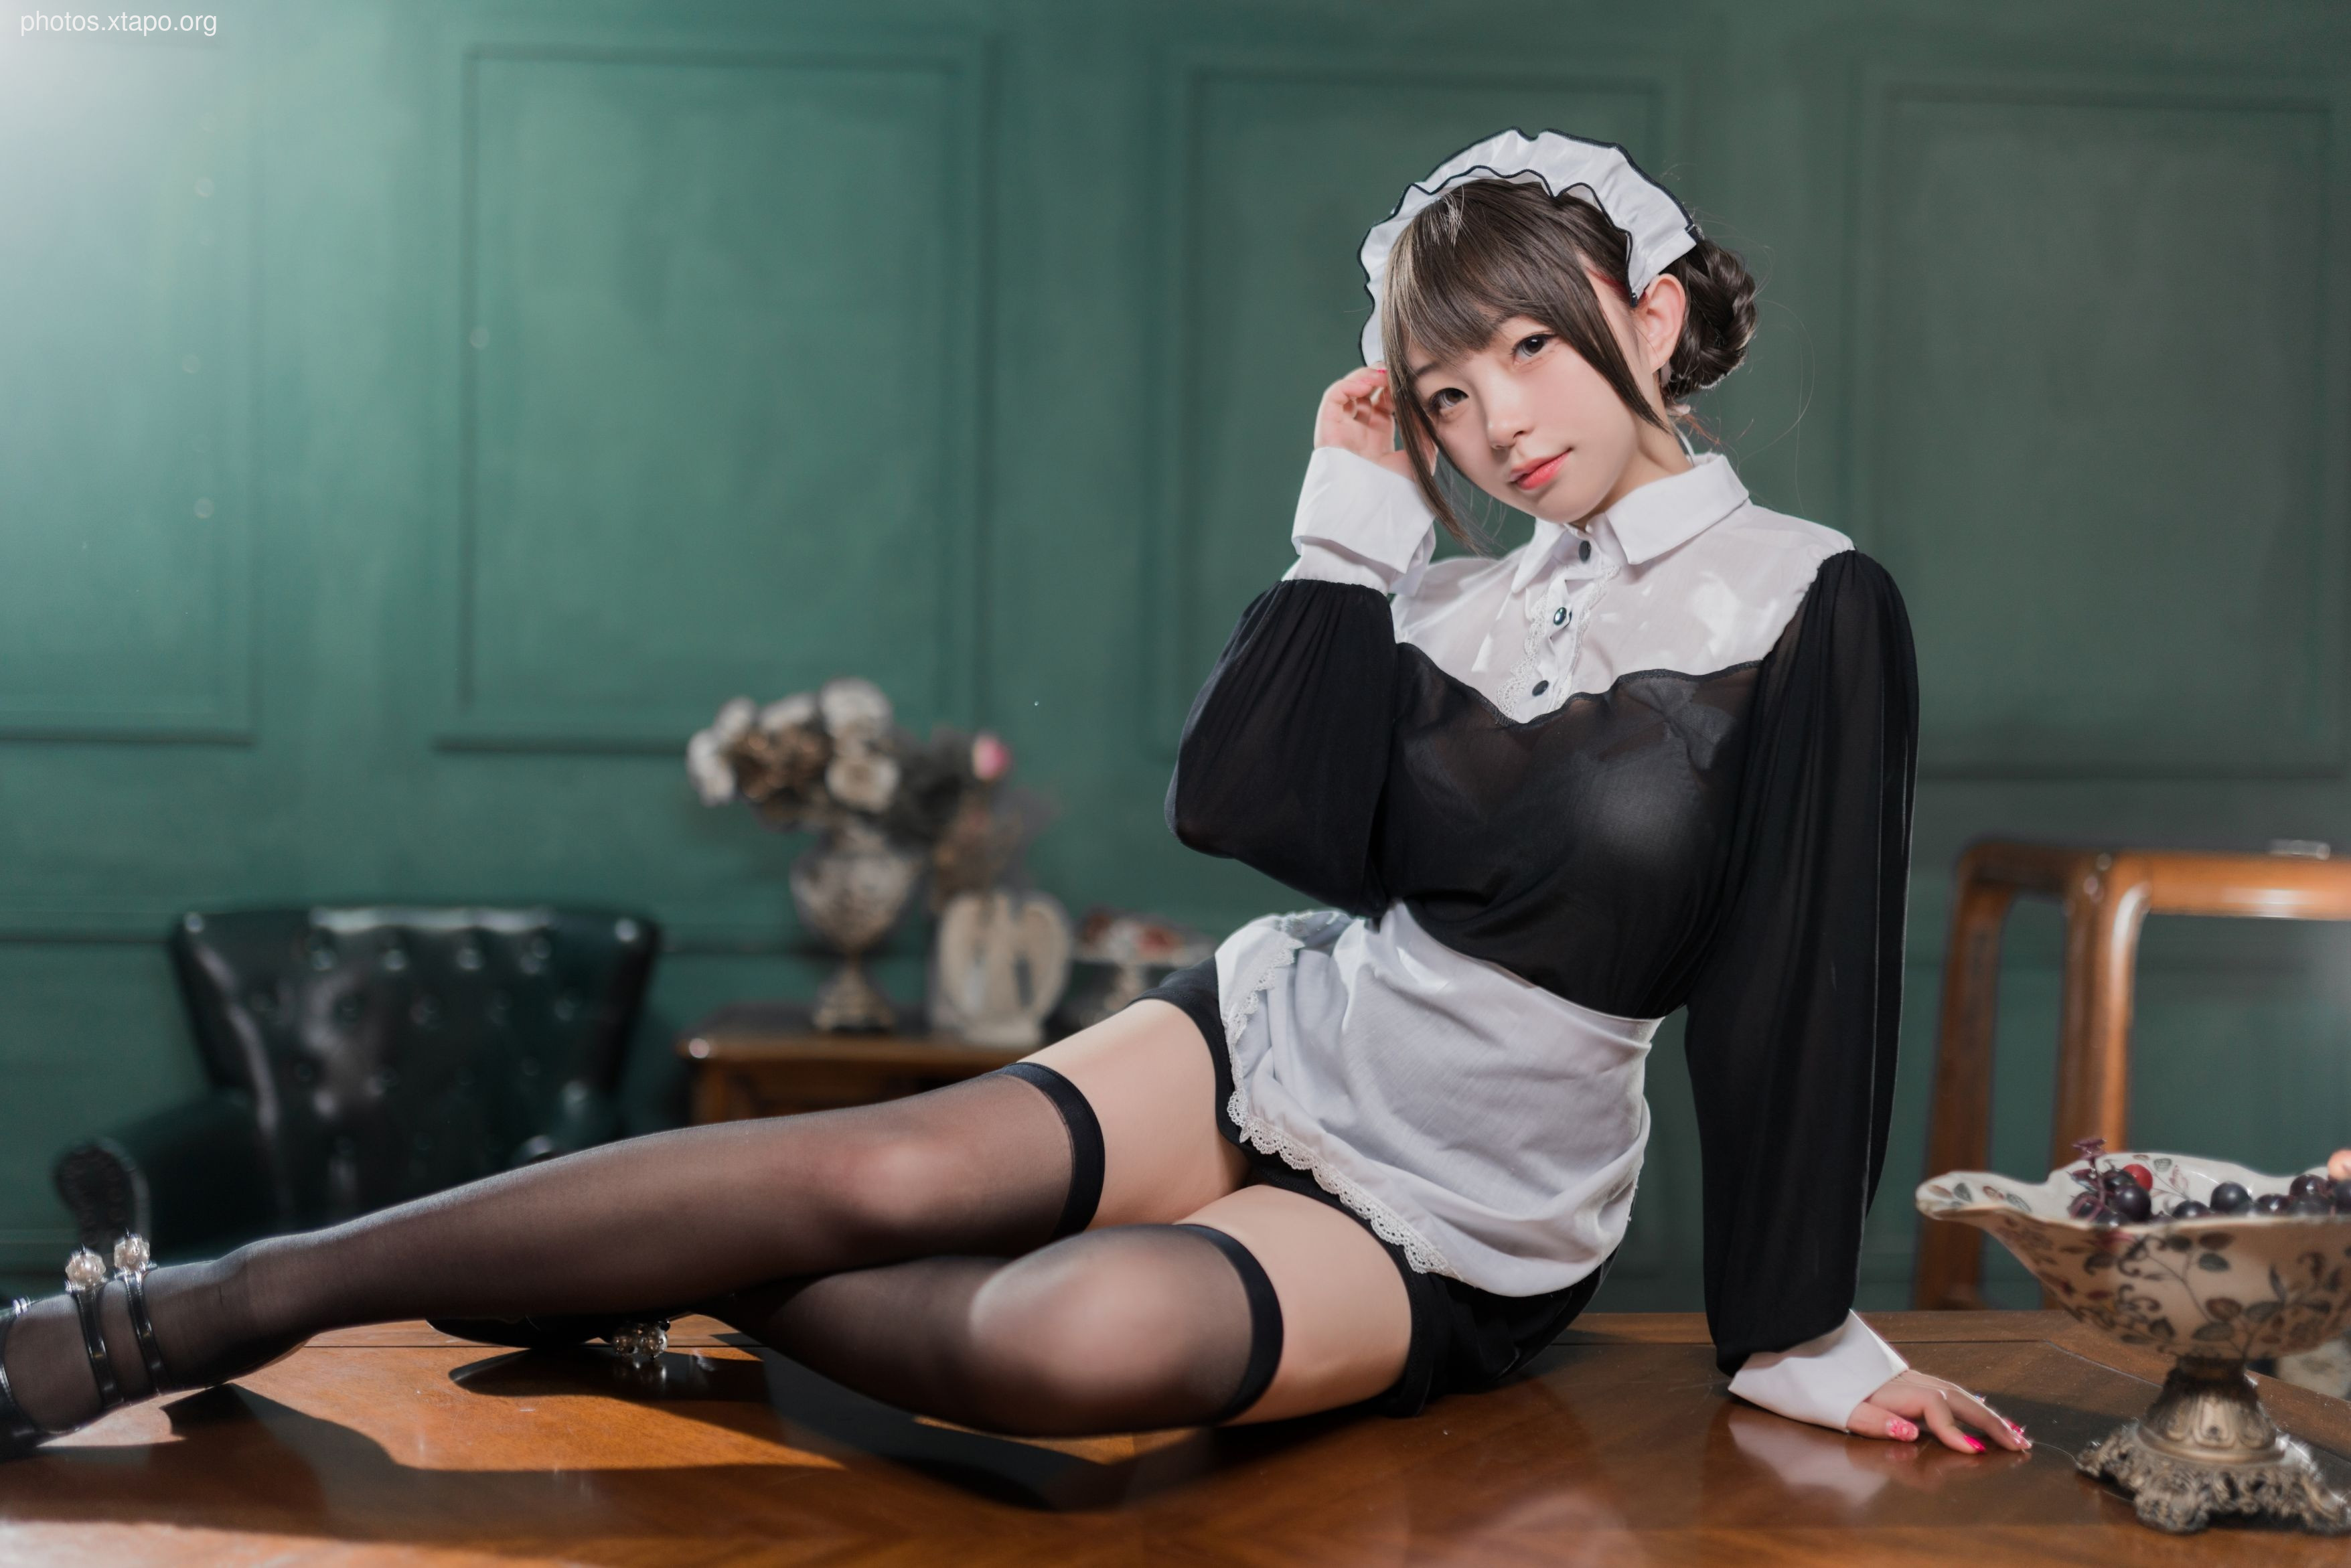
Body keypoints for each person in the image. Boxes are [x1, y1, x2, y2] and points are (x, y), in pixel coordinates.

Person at [0, 129, 2022, 1461]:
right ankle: (186, 1313)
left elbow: (1805, 981)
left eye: (1524, 352)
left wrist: (1798, 1335)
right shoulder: (1450, 596)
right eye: (1445, 392)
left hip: (1477, 1208)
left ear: (1649, 313)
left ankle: (663, 1265)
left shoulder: (1805, 603)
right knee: (862, 1174)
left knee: (1066, 1350)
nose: (1494, 421)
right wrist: (1348, 532)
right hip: (1272, 1036)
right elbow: (1253, 815)